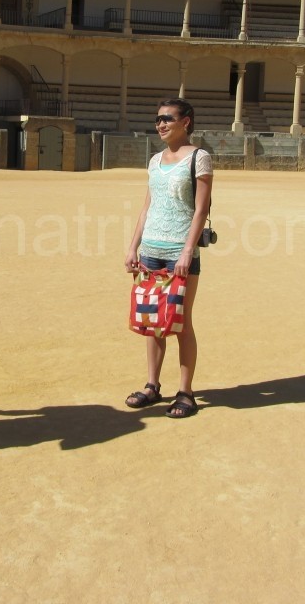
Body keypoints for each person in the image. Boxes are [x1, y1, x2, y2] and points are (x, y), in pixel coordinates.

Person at [124, 98, 213, 418]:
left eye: (167, 119)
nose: (160, 124)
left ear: (186, 121)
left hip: (179, 251)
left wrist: (188, 251)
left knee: (181, 323)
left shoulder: (199, 159)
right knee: (152, 323)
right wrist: (133, 246)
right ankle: (152, 385)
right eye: (157, 119)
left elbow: (201, 209)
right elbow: (147, 206)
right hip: (150, 250)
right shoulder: (154, 159)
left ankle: (186, 392)